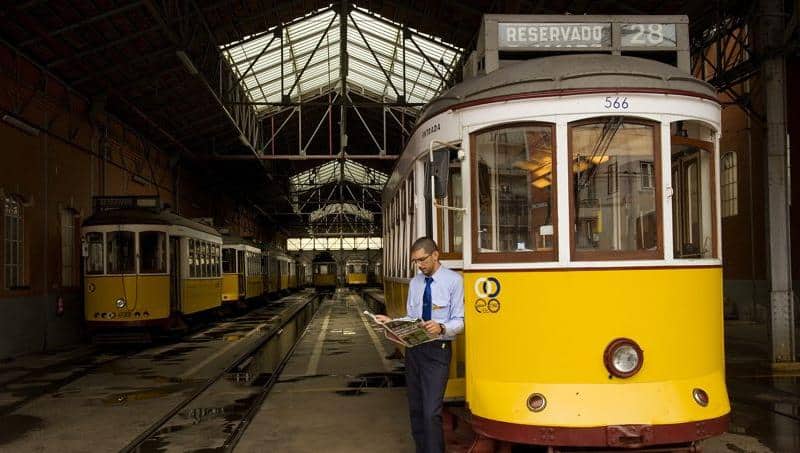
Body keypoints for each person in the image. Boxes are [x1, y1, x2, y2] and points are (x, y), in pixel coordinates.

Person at [375, 237, 464, 453]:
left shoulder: (454, 281)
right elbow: (411, 317)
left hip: (437, 352)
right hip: (414, 351)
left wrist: (442, 328)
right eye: (415, 262)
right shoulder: (415, 283)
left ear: (435, 255)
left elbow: (460, 321)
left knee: (431, 411)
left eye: (422, 260)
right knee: (416, 409)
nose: (419, 265)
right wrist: (392, 323)